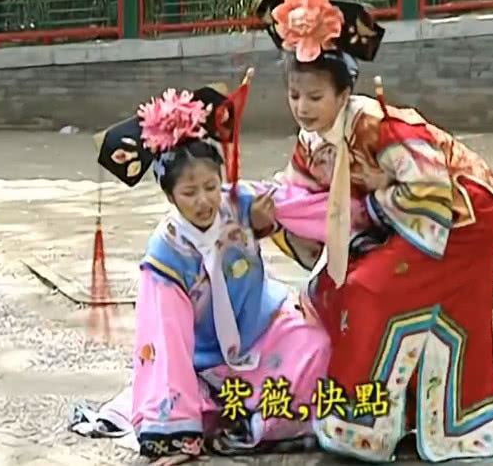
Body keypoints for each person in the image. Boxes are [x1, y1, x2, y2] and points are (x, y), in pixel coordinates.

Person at [252, 0, 493, 463]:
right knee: (327, 291)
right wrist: (266, 220)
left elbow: (430, 192)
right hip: (403, 217)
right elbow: (302, 210)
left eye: (315, 96)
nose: (303, 108)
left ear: (344, 92)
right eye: (294, 95)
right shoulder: (311, 144)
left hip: (461, 216)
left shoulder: (380, 124)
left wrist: (371, 204)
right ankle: (393, 414)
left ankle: (363, 428)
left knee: (370, 289)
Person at [75, 74, 331, 464]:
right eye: (189, 193)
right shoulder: (166, 254)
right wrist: (178, 436)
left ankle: (258, 418)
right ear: (170, 195)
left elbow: (302, 204)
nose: (204, 201)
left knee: (319, 347)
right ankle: (224, 422)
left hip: (263, 330)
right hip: (204, 360)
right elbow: (168, 343)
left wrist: (368, 208)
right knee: (195, 404)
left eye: (211, 187)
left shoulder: (238, 201)